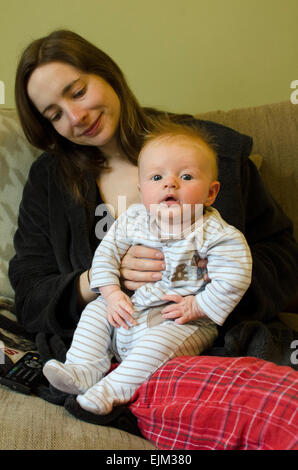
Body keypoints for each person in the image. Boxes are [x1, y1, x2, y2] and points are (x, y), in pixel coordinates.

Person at [8, 29, 297, 385]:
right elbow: (29, 293)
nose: (76, 116)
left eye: (79, 92)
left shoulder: (211, 149)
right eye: (54, 114)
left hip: (206, 343)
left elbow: (285, 258)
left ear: (106, 73)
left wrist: (214, 280)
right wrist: (99, 281)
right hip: (103, 346)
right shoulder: (50, 180)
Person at [42, 121, 252, 414]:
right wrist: (112, 293)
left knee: (160, 344)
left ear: (210, 193)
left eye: (186, 176)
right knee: (96, 309)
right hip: (131, 307)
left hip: (180, 318)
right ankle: (82, 368)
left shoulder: (217, 234)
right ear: (141, 191)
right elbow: (107, 255)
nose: (170, 183)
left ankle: (112, 390)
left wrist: (199, 305)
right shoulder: (133, 220)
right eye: (157, 177)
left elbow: (235, 276)